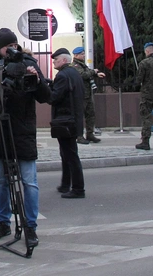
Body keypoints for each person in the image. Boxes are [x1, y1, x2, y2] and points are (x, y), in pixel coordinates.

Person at [0, 28, 50, 247]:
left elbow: (46, 97)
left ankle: (31, 226)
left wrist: (37, 80)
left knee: (29, 181)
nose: (12, 50)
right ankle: (4, 222)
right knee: (0, 180)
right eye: (8, 46)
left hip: (23, 129)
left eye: (15, 45)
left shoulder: (29, 63)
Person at [49, 48, 86, 199]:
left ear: (64, 60)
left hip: (66, 121)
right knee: (66, 154)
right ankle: (65, 184)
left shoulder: (63, 75)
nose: (53, 62)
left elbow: (55, 97)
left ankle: (78, 188)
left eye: (56, 60)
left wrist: (45, 89)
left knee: (70, 155)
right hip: (73, 119)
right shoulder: (74, 73)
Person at [71, 46, 104, 144]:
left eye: (84, 53)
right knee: (80, 116)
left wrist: (95, 74)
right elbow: (83, 75)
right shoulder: (75, 66)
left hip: (87, 94)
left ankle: (90, 134)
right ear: (76, 55)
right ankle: (79, 136)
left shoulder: (82, 65)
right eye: (82, 54)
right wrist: (93, 71)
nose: (84, 55)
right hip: (81, 95)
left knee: (90, 115)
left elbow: (87, 73)